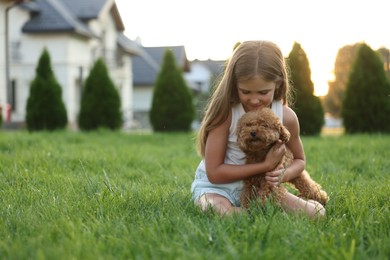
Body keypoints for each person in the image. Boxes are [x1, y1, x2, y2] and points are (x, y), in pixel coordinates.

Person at [190, 40, 325, 218]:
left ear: (277, 84)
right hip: (217, 189)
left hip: (262, 187)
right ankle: (251, 213)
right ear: (234, 84)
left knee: (317, 214)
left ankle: (285, 206)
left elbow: (299, 160)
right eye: (245, 92)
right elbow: (215, 173)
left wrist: (282, 175)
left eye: (263, 92)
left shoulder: (286, 117)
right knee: (218, 210)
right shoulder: (225, 114)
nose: (254, 100)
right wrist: (265, 166)